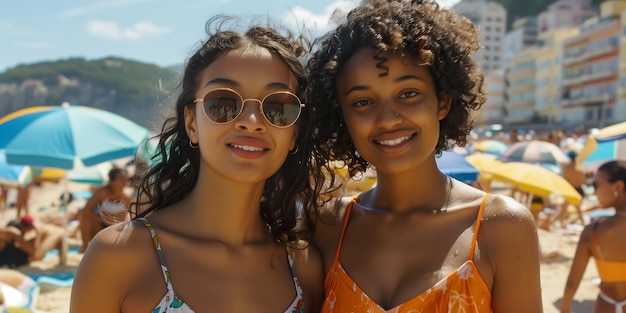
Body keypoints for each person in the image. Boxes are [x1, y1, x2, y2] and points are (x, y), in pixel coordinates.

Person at [70, 16, 326, 312]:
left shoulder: (304, 269)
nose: (251, 122)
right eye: (223, 103)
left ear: (293, 132)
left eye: (278, 107)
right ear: (191, 123)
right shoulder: (118, 255)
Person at [307, 0, 543, 311]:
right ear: (343, 117)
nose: (388, 119)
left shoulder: (500, 226)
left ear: (443, 102)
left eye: (408, 94)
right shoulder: (328, 224)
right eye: (362, 102)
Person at [561, 160, 626, 313]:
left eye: (596, 185)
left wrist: (564, 308)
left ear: (618, 186)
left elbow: (572, 281)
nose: (594, 191)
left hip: (606, 305)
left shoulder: (593, 231)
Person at [77, 167, 131, 253]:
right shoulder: (103, 192)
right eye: (121, 179)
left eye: (126, 179)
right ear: (112, 181)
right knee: (85, 219)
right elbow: (86, 210)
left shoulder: (127, 197)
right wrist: (102, 219)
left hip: (116, 227)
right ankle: (85, 246)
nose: (125, 181)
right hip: (101, 224)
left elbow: (127, 218)